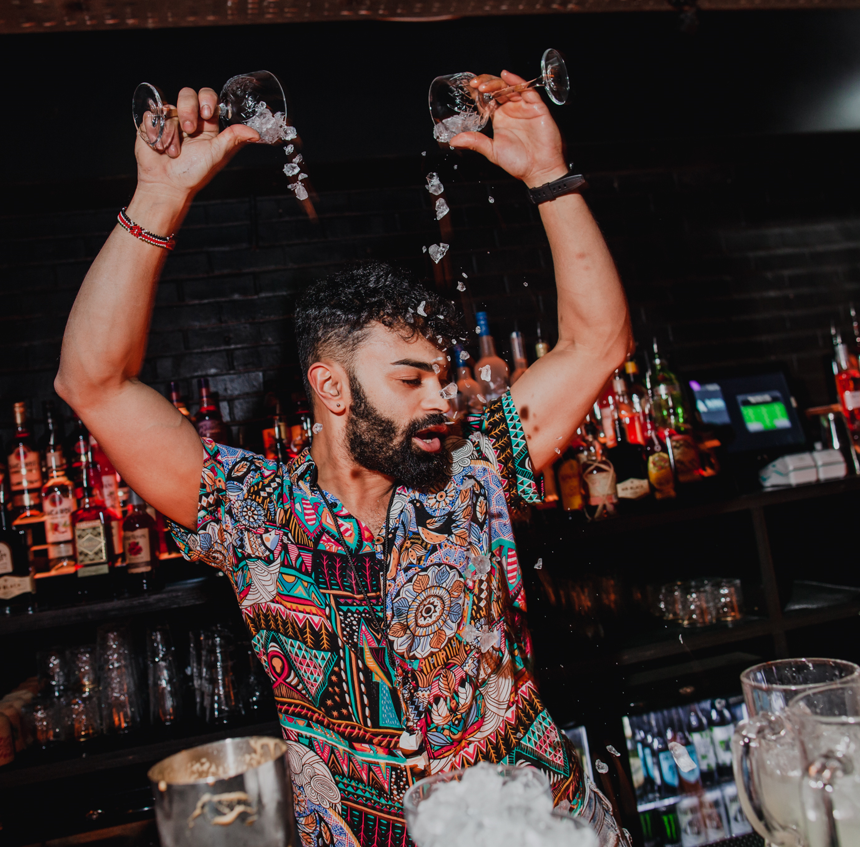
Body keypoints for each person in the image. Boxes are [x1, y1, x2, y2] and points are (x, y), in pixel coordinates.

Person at [56, 70, 633, 847]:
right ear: (330, 386)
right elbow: (92, 381)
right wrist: (160, 195)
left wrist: (547, 176)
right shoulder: (249, 511)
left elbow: (598, 343)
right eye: (409, 379)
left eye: (440, 375)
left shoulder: (474, 468)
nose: (439, 400)